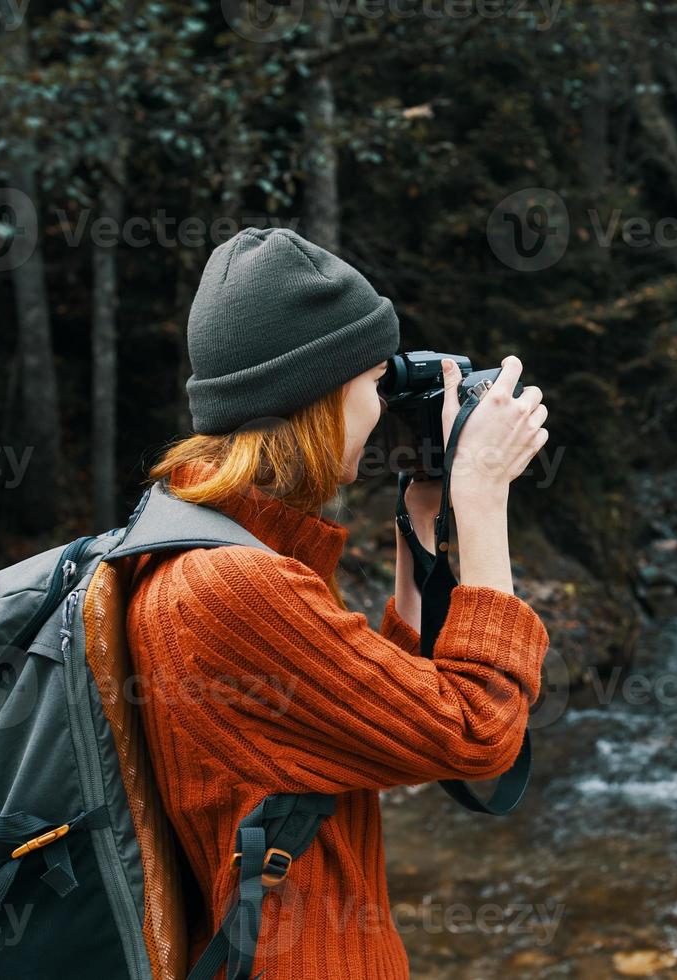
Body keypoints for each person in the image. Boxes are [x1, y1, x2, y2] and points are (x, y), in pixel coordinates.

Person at [126, 227, 550, 978]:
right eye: (373, 383)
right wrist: (482, 502)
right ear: (318, 392)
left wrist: (425, 516)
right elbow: (476, 732)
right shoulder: (232, 590)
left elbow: (391, 720)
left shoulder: (195, 553)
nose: (383, 408)